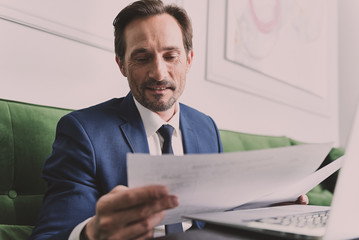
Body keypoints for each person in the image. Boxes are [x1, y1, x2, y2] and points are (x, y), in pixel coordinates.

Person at [29, 1, 307, 239]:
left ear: (189, 59)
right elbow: (53, 234)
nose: (159, 73)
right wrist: (92, 232)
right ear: (121, 64)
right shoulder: (83, 132)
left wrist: (267, 209)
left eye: (171, 56)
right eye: (142, 57)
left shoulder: (205, 127)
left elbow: (215, 211)